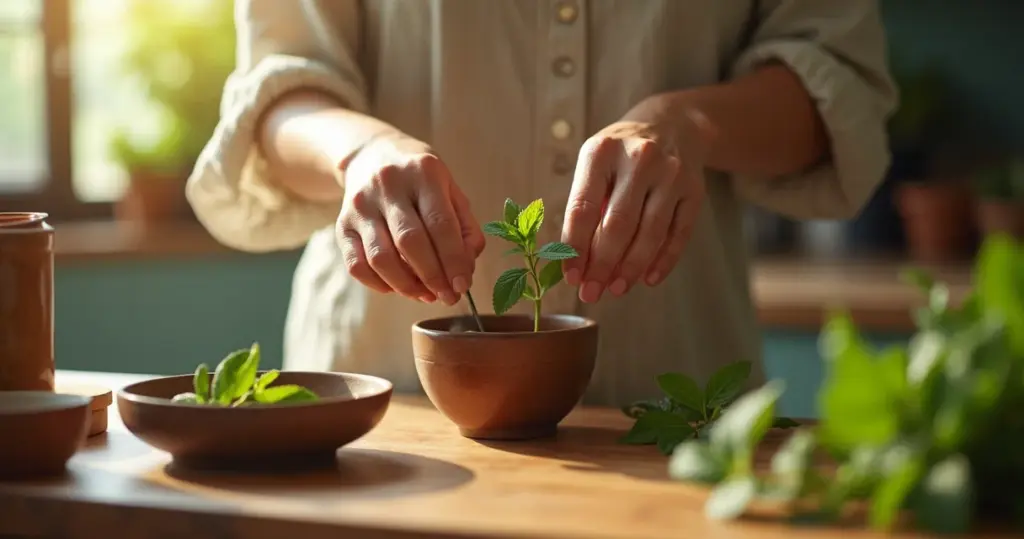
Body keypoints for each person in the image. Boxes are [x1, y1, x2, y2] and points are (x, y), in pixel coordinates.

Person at [186, 0, 897, 406]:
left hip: (678, 407)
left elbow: (840, 90)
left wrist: (691, 126)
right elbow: (279, 89)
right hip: (385, 405)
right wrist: (358, 152)